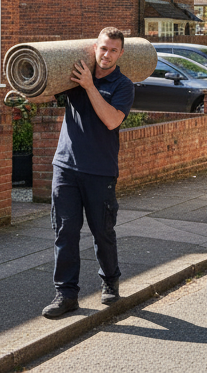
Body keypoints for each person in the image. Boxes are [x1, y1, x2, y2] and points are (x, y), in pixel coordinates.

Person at [42, 27, 135, 319]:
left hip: (99, 171)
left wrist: (90, 86)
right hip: (66, 167)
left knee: (102, 231)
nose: (106, 54)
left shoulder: (123, 85)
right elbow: (43, 95)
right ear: (95, 47)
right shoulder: (76, 75)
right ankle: (66, 294)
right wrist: (27, 85)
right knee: (65, 232)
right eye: (103, 48)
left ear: (120, 53)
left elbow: (111, 120)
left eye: (113, 50)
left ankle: (110, 280)